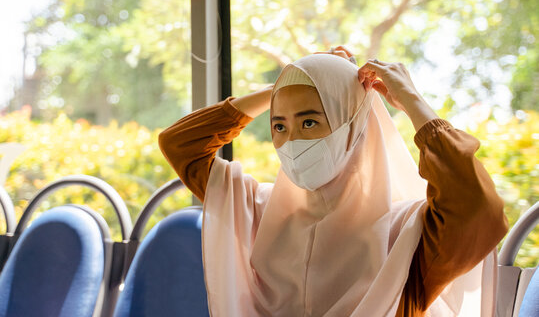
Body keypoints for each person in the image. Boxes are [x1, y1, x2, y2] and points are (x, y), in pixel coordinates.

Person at [158, 46, 508, 316]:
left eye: (309, 122)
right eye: (279, 126)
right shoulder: (259, 210)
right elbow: (179, 143)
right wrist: (284, 84)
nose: (291, 141)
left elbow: (479, 210)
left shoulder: (408, 235)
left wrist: (412, 102)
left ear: (355, 127)